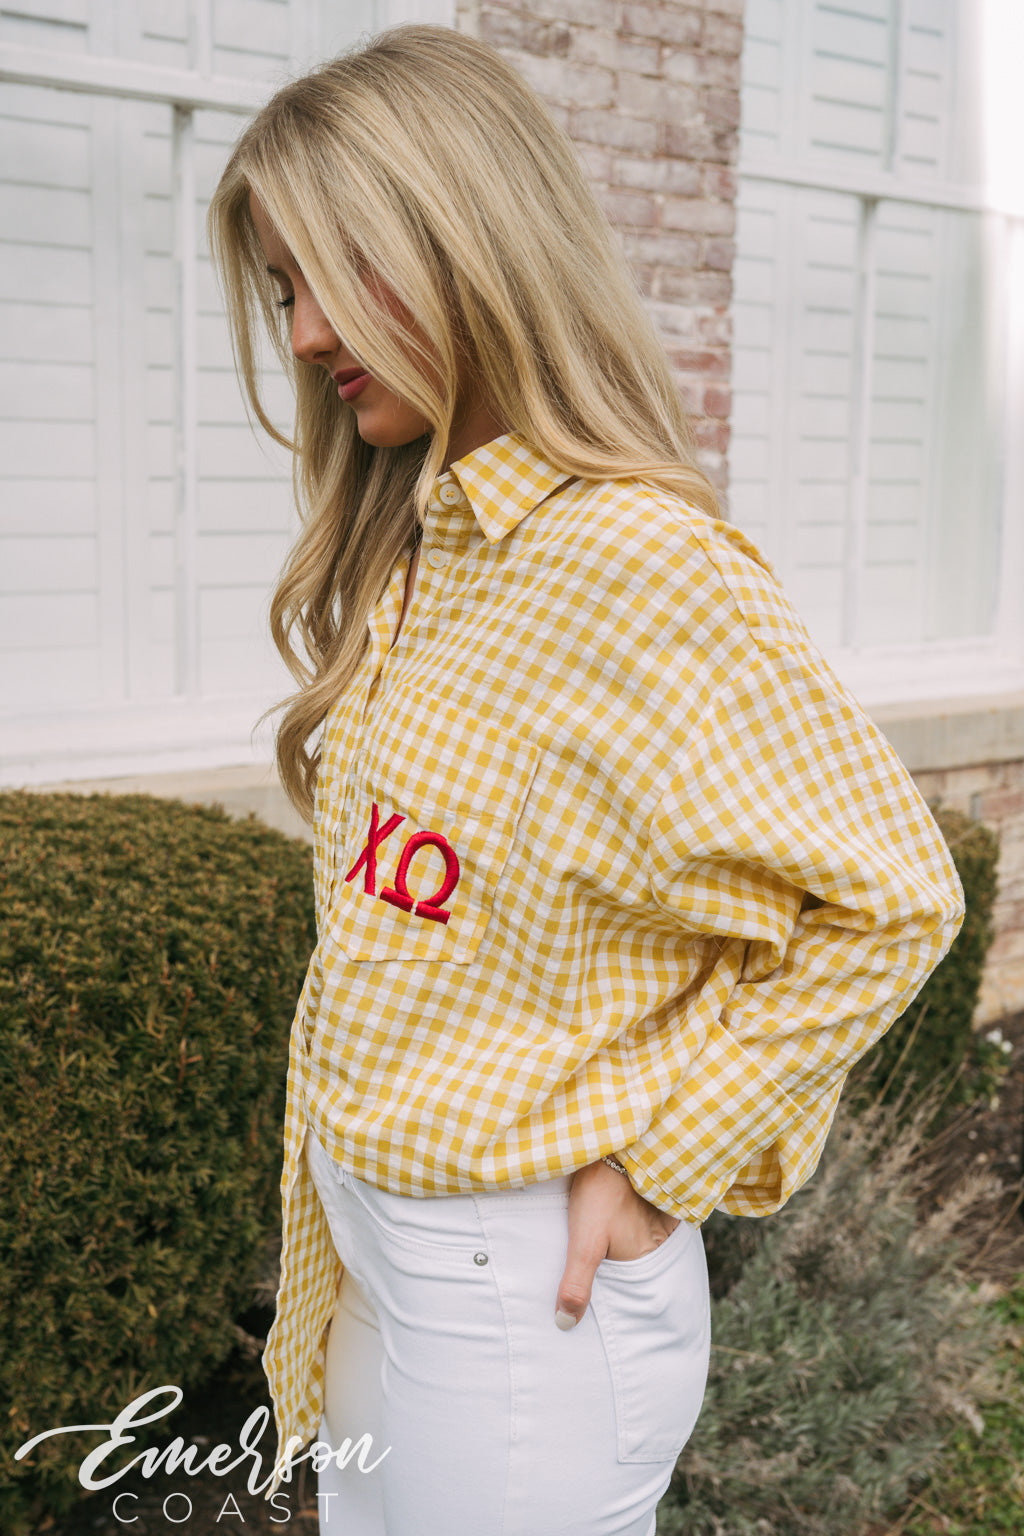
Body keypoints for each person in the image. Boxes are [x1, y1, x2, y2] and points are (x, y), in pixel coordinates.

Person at [207, 23, 965, 1536]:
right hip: (381, 1265)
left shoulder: (637, 563)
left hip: (517, 1303)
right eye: (284, 287)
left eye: (337, 272)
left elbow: (893, 899)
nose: (302, 334)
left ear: (470, 239)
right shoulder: (430, 547)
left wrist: (663, 1159)